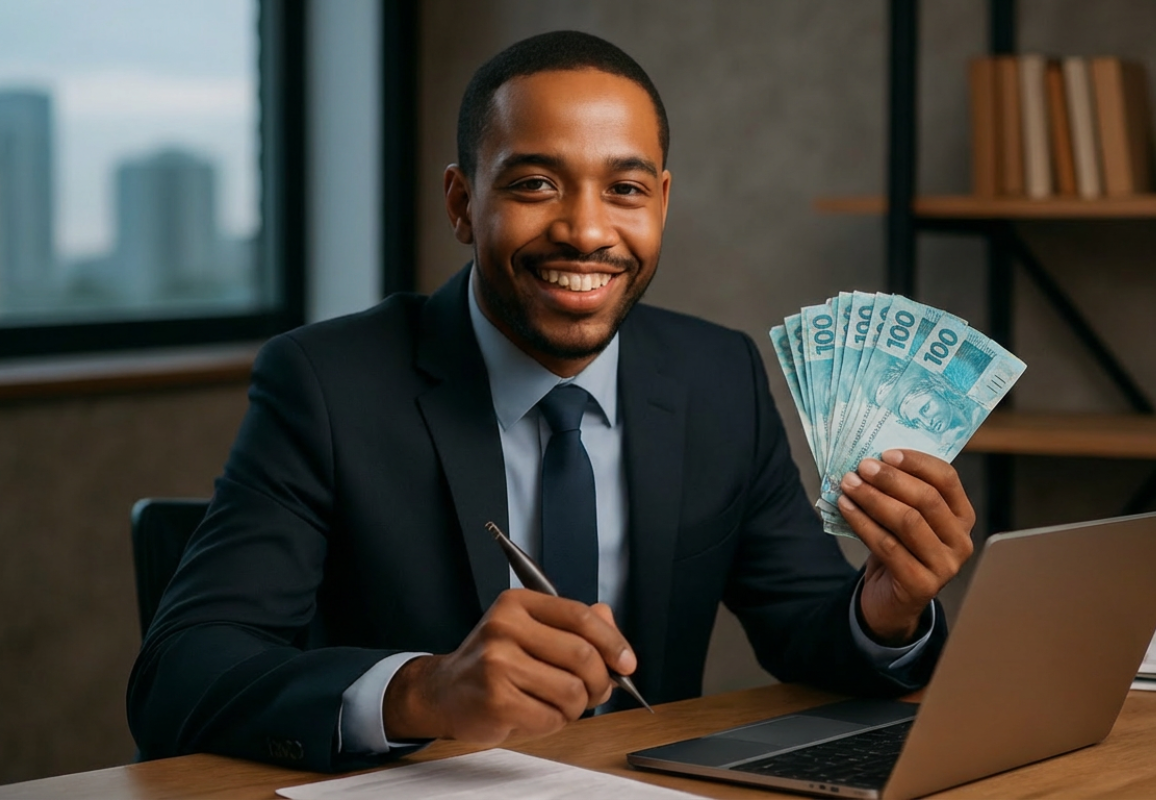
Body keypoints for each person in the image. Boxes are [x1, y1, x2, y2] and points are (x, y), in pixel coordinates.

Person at [127, 30, 975, 772]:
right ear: (463, 203)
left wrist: (886, 611)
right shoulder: (326, 383)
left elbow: (805, 628)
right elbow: (179, 676)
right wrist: (424, 691)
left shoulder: (717, 375)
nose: (586, 231)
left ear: (663, 203)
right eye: (535, 184)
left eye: (625, 190)